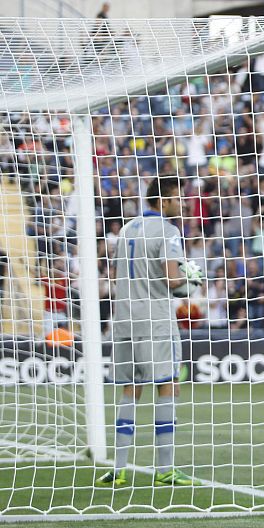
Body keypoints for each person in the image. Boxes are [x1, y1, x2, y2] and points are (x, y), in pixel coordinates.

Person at [96, 177, 202, 487]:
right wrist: (193, 279)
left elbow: (118, 277)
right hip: (156, 320)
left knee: (131, 388)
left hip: (125, 319)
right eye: (177, 198)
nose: (181, 203)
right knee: (168, 385)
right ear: (164, 201)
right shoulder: (169, 232)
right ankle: (166, 469)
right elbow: (172, 280)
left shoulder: (125, 230)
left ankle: (118, 469)